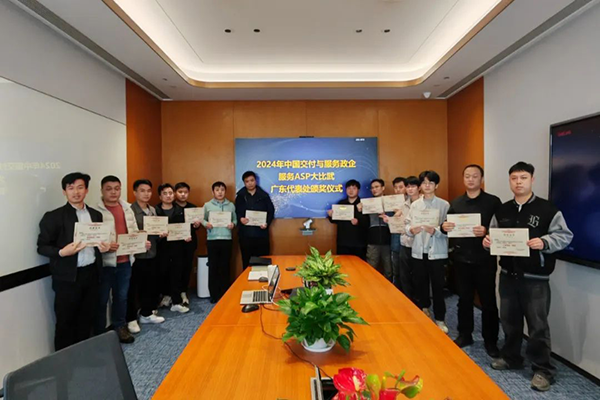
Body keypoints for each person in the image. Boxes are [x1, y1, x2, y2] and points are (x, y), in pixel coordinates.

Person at [483, 162, 573, 392]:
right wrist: (487, 242)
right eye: (514, 178)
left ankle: (543, 369)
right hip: (507, 276)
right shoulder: (502, 210)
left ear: (532, 179)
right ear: (510, 181)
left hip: (535, 279)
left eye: (523, 177)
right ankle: (511, 357)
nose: (518, 182)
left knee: (537, 326)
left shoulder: (547, 209)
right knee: (509, 321)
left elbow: (565, 235)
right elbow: (493, 236)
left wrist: (544, 242)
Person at [37, 172, 109, 351]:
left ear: (86, 190)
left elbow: (98, 242)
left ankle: (83, 356)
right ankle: (63, 362)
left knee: (87, 318)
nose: (76, 192)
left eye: (80, 187)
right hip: (67, 278)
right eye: (71, 188)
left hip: (91, 274)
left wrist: (104, 247)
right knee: (65, 321)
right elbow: (42, 247)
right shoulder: (53, 216)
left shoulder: (96, 215)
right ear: (64, 191)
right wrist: (62, 252)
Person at [441, 165, 501, 357]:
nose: (471, 179)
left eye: (475, 176)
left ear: (481, 179)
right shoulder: (456, 202)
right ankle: (465, 334)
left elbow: (502, 228)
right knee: (464, 300)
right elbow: (447, 226)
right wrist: (444, 227)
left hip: (485, 260)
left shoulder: (493, 202)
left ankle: (490, 340)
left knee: (488, 302)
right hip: (461, 259)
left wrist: (487, 231)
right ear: (463, 179)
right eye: (467, 176)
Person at [94, 175, 142, 344]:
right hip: (105, 263)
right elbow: (92, 237)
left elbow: (134, 230)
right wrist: (105, 245)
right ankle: (100, 332)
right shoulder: (96, 210)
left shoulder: (127, 208)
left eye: (117, 188)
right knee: (101, 299)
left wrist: (141, 242)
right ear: (102, 190)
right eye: (109, 189)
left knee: (121, 297)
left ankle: (120, 327)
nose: (113, 192)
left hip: (125, 261)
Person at [405, 170, 450, 333]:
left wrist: (436, 231)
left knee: (438, 287)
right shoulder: (415, 205)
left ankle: (440, 319)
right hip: (419, 251)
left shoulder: (444, 205)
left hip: (437, 252)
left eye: (431, 183)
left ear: (436, 185)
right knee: (420, 285)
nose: (427, 186)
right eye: (424, 183)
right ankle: (424, 311)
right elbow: (407, 225)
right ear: (420, 186)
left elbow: (450, 228)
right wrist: (411, 230)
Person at [127, 179, 165, 334]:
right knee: (134, 288)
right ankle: (131, 318)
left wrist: (161, 234)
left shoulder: (153, 210)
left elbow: (155, 233)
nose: (146, 194)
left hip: (152, 253)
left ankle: (147, 313)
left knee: (150, 285)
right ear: (135, 192)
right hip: (136, 256)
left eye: (149, 191)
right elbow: (128, 234)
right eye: (142, 191)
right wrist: (140, 240)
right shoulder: (129, 211)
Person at [156, 183, 191, 313]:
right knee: (163, 272)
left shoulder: (180, 210)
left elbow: (185, 227)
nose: (168, 196)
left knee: (177, 273)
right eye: (165, 193)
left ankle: (176, 302)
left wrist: (186, 236)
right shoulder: (155, 211)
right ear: (160, 196)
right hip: (161, 247)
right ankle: (166, 296)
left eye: (170, 193)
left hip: (178, 247)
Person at [203, 181, 237, 303]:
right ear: (213, 192)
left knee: (225, 267)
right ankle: (214, 294)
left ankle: (224, 293)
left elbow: (235, 220)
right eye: (217, 190)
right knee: (213, 267)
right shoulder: (207, 205)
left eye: (222, 190)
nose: (220, 192)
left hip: (226, 239)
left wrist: (233, 224)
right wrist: (206, 224)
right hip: (212, 240)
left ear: (225, 191)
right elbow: (202, 219)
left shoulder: (231, 205)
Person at [235, 171, 275, 270]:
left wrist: (266, 223)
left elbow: (271, 211)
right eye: (247, 181)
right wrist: (240, 219)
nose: (250, 183)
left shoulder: (264, 196)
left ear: (256, 181)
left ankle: (262, 280)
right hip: (245, 235)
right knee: (247, 262)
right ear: (244, 183)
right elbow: (236, 211)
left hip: (261, 235)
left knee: (262, 262)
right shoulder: (240, 196)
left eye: (252, 180)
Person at [327, 179, 368, 260]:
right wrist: (331, 215)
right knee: (343, 264)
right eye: (349, 188)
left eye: (354, 188)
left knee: (359, 265)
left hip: (359, 243)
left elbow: (368, 222)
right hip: (343, 242)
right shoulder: (341, 203)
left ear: (358, 190)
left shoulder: (363, 203)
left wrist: (358, 221)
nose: (351, 191)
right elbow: (335, 221)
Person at [175, 182, 201, 306]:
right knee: (175, 269)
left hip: (189, 243)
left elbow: (196, 227)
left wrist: (197, 225)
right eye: (180, 192)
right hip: (174, 244)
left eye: (185, 192)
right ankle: (171, 293)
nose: (183, 194)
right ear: (175, 193)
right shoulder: (171, 207)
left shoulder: (193, 208)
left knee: (187, 267)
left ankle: (183, 291)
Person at [395, 176, 421, 302]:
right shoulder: (402, 205)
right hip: (405, 243)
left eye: (413, 186)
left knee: (419, 275)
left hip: (420, 245)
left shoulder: (424, 203)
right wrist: (392, 220)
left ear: (419, 188)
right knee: (404, 275)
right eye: (408, 186)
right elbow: (399, 224)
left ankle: (420, 302)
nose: (410, 189)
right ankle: (407, 300)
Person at [365, 179, 394, 281]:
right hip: (373, 240)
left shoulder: (391, 202)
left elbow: (397, 218)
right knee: (371, 268)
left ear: (383, 188)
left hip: (388, 240)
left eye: (377, 187)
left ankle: (389, 289)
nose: (374, 189)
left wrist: (387, 215)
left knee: (389, 269)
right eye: (372, 188)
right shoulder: (367, 203)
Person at [390, 177, 407, 289]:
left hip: (409, 242)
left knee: (408, 270)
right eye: (395, 188)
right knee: (396, 270)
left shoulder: (413, 202)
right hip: (395, 241)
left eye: (401, 187)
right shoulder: (390, 203)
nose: (398, 190)